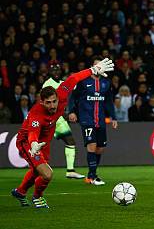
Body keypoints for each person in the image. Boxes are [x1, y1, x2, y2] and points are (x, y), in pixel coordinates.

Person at [11, 59, 114, 208]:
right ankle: (37, 197)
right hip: (27, 142)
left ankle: (20, 192)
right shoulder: (36, 113)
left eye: (54, 101)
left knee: (36, 170)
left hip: (44, 141)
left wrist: (93, 70)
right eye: (48, 103)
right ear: (42, 102)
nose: (53, 106)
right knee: (47, 174)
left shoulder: (62, 93)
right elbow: (32, 132)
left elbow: (73, 78)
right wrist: (33, 144)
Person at [69, 58, 118, 186]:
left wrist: (113, 117)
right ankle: (91, 177)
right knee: (92, 145)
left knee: (100, 148)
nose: (99, 68)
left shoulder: (106, 83)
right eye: (96, 65)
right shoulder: (83, 81)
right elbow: (73, 97)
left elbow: (108, 101)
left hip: (100, 120)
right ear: (92, 66)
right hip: (86, 119)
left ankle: (93, 174)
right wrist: (72, 111)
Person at [42, 61, 86, 179]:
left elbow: (75, 87)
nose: (56, 72)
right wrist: (66, 115)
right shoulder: (48, 84)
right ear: (49, 72)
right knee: (67, 141)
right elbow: (48, 104)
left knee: (67, 142)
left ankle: (70, 171)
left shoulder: (62, 83)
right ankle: (67, 170)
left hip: (60, 117)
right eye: (53, 70)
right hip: (53, 118)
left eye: (58, 69)